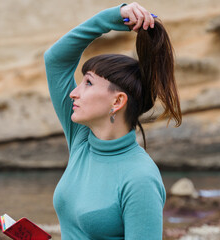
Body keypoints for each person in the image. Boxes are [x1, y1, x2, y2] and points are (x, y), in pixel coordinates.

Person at [44, 2, 182, 239]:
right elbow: (55, 61)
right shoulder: (81, 139)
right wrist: (111, 18)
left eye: (87, 83)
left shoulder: (140, 178)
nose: (73, 93)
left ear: (117, 102)